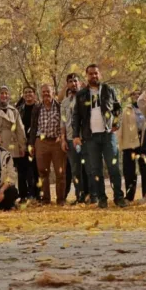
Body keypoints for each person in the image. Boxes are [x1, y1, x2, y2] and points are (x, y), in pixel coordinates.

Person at [71, 64, 126, 209]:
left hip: (108, 135)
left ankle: (119, 197)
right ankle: (102, 198)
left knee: (113, 168)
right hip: (90, 137)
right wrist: (76, 135)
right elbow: (75, 116)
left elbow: (118, 109)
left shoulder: (109, 90)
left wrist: (116, 123)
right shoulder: (81, 94)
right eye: (90, 74)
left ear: (99, 74)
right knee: (95, 170)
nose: (93, 76)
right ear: (86, 75)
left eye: (96, 73)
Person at [0, 86, 29, 200]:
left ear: (9, 95)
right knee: (0, 172)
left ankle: (17, 195)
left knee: (14, 171)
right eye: (1, 93)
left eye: (6, 93)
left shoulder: (14, 111)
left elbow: (20, 129)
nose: (4, 96)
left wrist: (22, 146)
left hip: (13, 144)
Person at [29, 84, 67, 205]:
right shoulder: (37, 108)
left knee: (60, 172)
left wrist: (63, 139)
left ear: (53, 92)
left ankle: (61, 199)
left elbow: (64, 125)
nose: (46, 94)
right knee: (42, 172)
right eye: (43, 91)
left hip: (57, 142)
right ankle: (45, 199)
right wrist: (31, 144)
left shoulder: (59, 107)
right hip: (41, 142)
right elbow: (33, 127)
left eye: (48, 91)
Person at [61, 74, 88, 204]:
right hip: (71, 139)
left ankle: (92, 195)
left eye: (75, 81)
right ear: (67, 84)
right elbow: (63, 123)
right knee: (75, 170)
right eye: (70, 82)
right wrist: (63, 139)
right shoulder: (65, 102)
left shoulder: (86, 97)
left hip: (86, 138)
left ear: (80, 82)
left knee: (89, 167)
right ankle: (80, 196)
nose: (73, 84)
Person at [118, 89, 144, 202]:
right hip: (130, 143)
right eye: (134, 94)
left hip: (143, 142)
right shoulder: (126, 110)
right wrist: (121, 144)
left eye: (139, 93)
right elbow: (121, 128)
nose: (136, 95)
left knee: (145, 170)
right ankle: (129, 197)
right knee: (129, 171)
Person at [16, 86, 39, 202]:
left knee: (35, 170)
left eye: (30, 92)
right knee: (22, 171)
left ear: (34, 94)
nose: (28, 94)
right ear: (23, 95)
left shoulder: (39, 108)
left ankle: (36, 195)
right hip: (22, 142)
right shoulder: (19, 109)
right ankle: (23, 195)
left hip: (36, 141)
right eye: (26, 92)